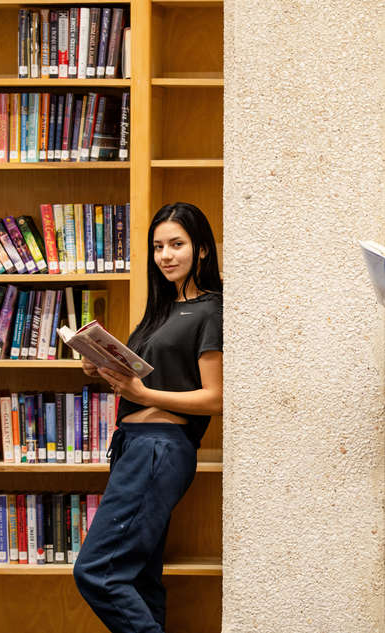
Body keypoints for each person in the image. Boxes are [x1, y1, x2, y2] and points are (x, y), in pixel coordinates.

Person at [73, 202, 223, 633]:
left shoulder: (212, 310)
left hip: (161, 448)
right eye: (158, 246)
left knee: (97, 572)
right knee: (138, 577)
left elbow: (216, 399)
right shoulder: (161, 309)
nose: (166, 255)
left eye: (177, 244)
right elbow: (142, 382)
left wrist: (142, 392)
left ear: (202, 251)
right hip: (132, 445)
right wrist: (97, 363)